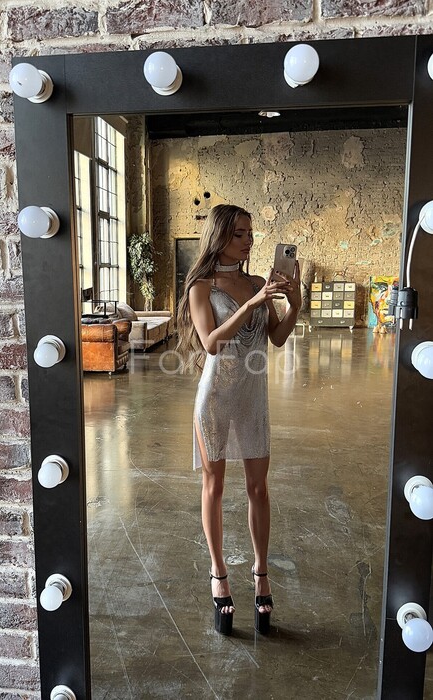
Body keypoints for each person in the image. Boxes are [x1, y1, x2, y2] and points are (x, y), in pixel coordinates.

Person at [176, 204, 301, 635]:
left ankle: (261, 573)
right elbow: (211, 343)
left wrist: (295, 304)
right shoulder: (202, 286)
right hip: (215, 399)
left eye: (250, 233)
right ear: (219, 236)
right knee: (213, 487)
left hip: (253, 400)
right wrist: (251, 303)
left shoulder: (258, 282)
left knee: (258, 489)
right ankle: (219, 575)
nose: (248, 241)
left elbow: (277, 338)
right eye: (239, 234)